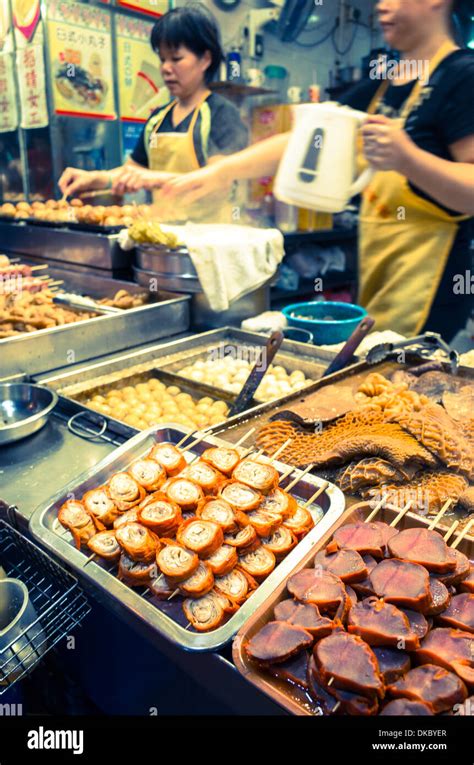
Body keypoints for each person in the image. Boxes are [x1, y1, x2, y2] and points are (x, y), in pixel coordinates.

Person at [162, 0, 474, 340]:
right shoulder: (384, 85)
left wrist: (408, 158)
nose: (382, 7)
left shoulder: (462, 76)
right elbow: (304, 139)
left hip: (433, 298)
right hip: (381, 284)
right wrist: (222, 172)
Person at [58, 4, 248, 223]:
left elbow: (218, 181)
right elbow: (132, 171)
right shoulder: (158, 119)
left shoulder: (221, 114)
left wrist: (151, 178)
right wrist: (93, 178)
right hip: (162, 237)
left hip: (209, 239)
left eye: (176, 59)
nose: (166, 68)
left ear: (205, 59)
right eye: (162, 59)